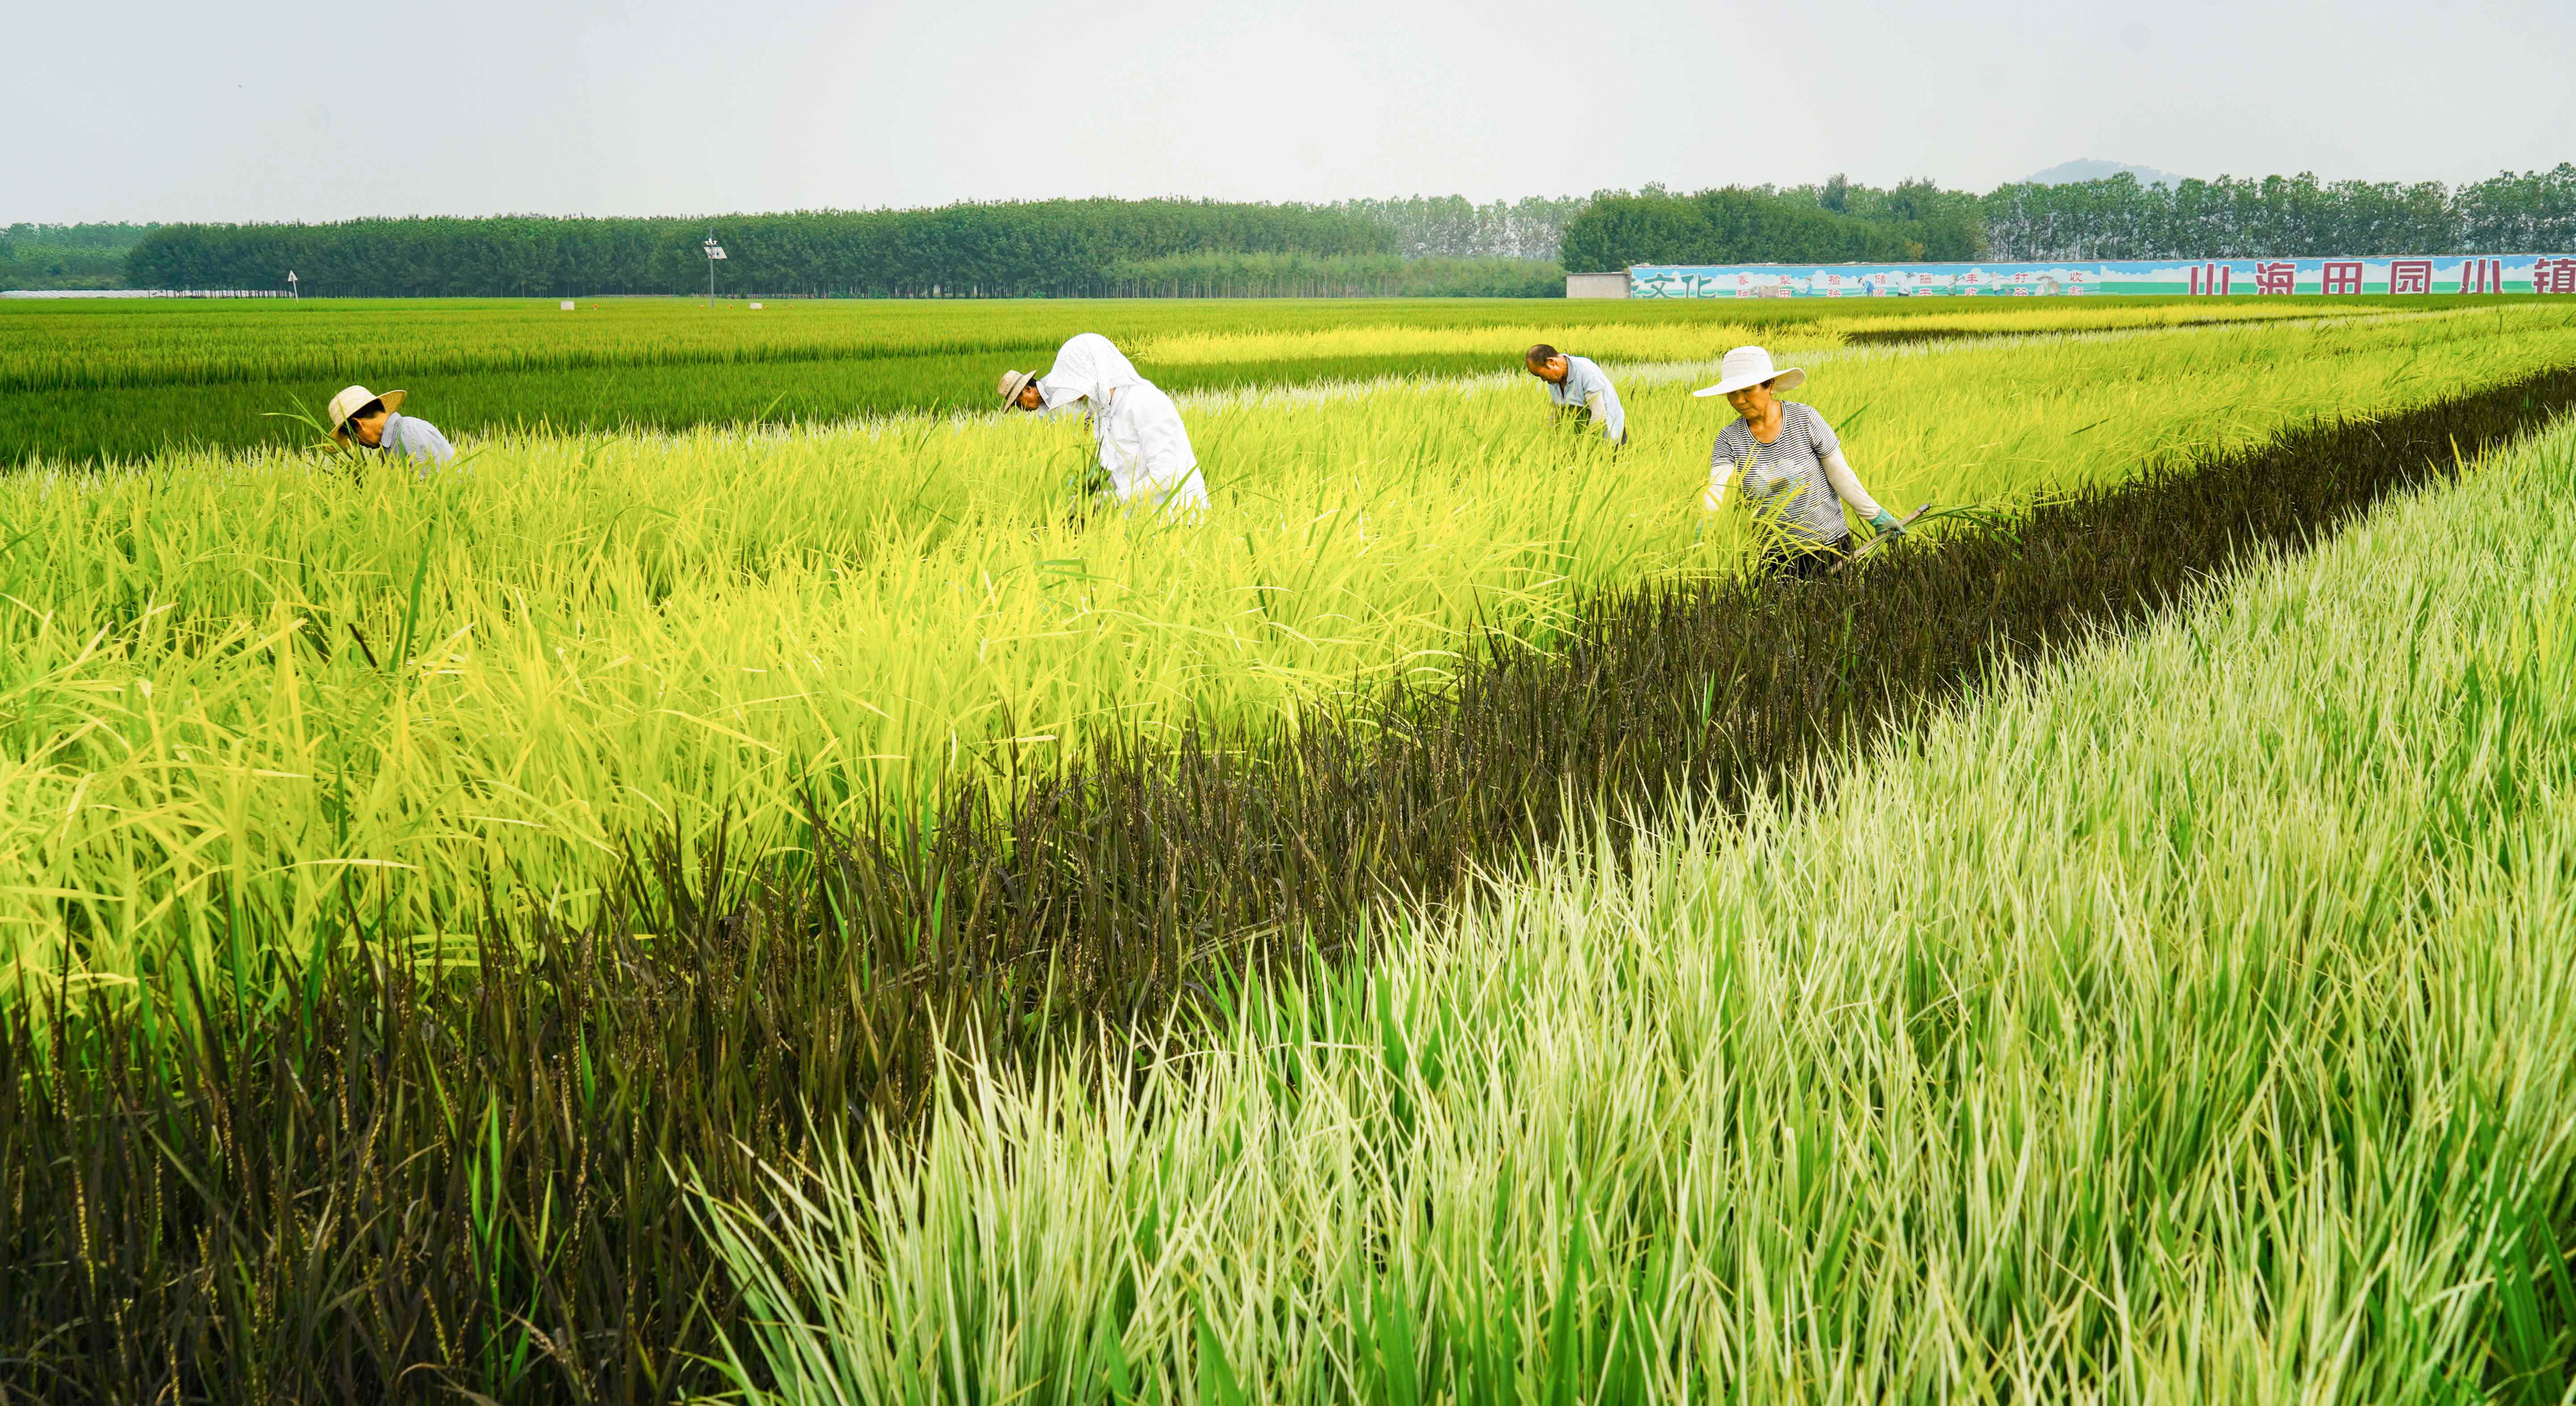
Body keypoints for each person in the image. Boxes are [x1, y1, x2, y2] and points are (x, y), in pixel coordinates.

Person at [1694, 345, 1904, 578]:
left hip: (1829, 546)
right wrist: (1708, 519)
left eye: (1747, 390)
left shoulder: (1805, 419)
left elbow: (1839, 474)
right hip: (1773, 558)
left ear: (1770, 386)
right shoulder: (1730, 438)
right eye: (1732, 393)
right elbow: (1718, 485)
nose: (1739, 400)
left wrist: (1876, 515)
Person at [996, 333, 1209, 517]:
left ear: (1090, 372)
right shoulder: (1102, 414)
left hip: (1180, 519)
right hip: (1142, 521)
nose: (1071, 394)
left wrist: (1111, 500)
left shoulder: (1145, 402)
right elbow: (1115, 468)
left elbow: (1165, 475)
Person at [327, 385, 455, 470]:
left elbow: (439, 486)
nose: (360, 444)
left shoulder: (408, 432)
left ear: (359, 425)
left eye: (355, 439)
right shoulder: (390, 445)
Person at [1524, 343, 1626, 447]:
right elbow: (1556, 413)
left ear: (1551, 362)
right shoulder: (1554, 380)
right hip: (1583, 435)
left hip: (1609, 434)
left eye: (1541, 375)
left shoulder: (1586, 372)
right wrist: (1548, 442)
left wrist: (1585, 445)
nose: (1543, 380)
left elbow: (1599, 415)